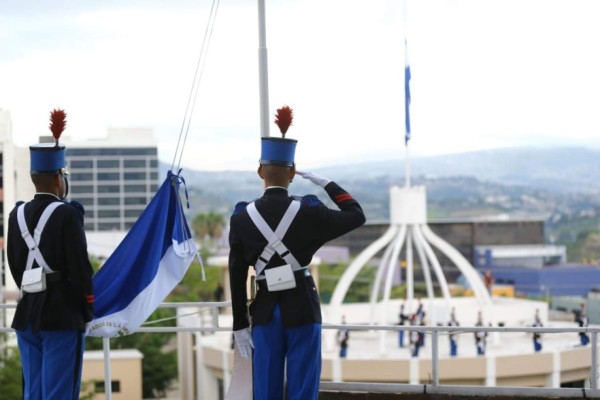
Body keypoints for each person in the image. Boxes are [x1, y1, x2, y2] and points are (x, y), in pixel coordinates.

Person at [228, 106, 366, 400]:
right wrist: (326, 183)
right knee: (303, 389)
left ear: (259, 171)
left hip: (264, 310)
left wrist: (239, 322)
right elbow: (356, 215)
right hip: (302, 305)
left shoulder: (241, 217)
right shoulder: (310, 211)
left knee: (266, 391)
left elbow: (236, 271)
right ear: (292, 172)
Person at [6, 109, 94, 399]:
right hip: (62, 315)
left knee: (34, 392)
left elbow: (16, 268)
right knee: (58, 393)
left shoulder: (15, 214)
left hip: (27, 314)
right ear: (59, 178)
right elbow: (81, 270)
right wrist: (87, 307)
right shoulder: (68, 214)